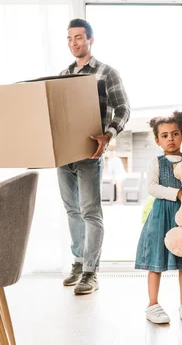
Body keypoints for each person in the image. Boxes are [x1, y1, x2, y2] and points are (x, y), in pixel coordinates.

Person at [58, 18, 130, 295]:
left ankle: (90, 271)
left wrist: (108, 135)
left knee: (90, 211)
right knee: (72, 210)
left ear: (90, 40)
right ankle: (78, 263)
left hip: (89, 153)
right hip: (63, 155)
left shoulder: (106, 72)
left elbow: (123, 109)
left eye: (78, 37)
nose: (73, 43)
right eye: (69, 38)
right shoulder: (63, 75)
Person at [135, 111, 182, 324]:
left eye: (175, 134)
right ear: (157, 140)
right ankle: (153, 304)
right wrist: (177, 193)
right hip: (160, 217)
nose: (170, 139)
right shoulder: (156, 162)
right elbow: (151, 188)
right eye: (164, 135)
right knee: (156, 262)